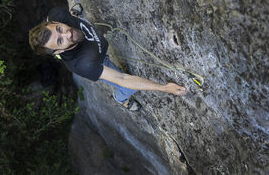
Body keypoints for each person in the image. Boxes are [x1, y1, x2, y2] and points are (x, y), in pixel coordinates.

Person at [28, 6, 187, 111]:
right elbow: (123, 78)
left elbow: (51, 19)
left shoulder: (58, 14)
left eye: (59, 29)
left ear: (55, 22)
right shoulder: (84, 65)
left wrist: (73, 15)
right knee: (127, 87)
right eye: (60, 41)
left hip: (97, 50)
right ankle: (120, 98)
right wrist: (165, 88)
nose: (68, 33)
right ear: (58, 52)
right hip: (100, 60)